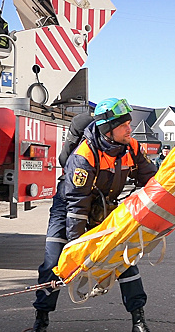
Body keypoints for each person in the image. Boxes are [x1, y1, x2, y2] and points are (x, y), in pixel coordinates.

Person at [32, 98, 157, 332]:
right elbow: (76, 208)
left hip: (103, 206)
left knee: (124, 260)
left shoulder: (132, 147)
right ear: (108, 130)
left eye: (129, 123)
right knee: (54, 263)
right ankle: (41, 319)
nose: (130, 129)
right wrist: (77, 247)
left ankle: (138, 320)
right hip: (68, 208)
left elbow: (153, 179)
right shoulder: (84, 156)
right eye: (124, 125)